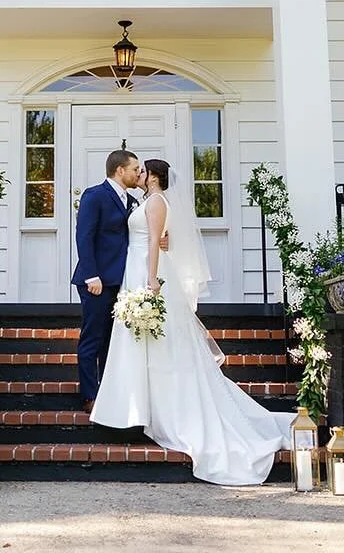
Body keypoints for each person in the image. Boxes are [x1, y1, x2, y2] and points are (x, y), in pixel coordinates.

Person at [90, 157, 295, 485]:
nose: (138, 174)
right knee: (143, 340)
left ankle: (157, 409)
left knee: (157, 340)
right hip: (135, 268)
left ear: (153, 177)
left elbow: (154, 241)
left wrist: (151, 279)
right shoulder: (147, 201)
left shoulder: (156, 201)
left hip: (146, 271)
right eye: (136, 170)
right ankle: (135, 406)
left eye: (143, 171)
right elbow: (156, 237)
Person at [70, 149, 143, 413]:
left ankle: (108, 393)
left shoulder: (132, 200)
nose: (139, 173)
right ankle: (89, 396)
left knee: (112, 340)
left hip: (120, 282)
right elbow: (84, 236)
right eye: (135, 169)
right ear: (120, 170)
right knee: (93, 338)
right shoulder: (94, 195)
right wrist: (92, 275)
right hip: (96, 281)